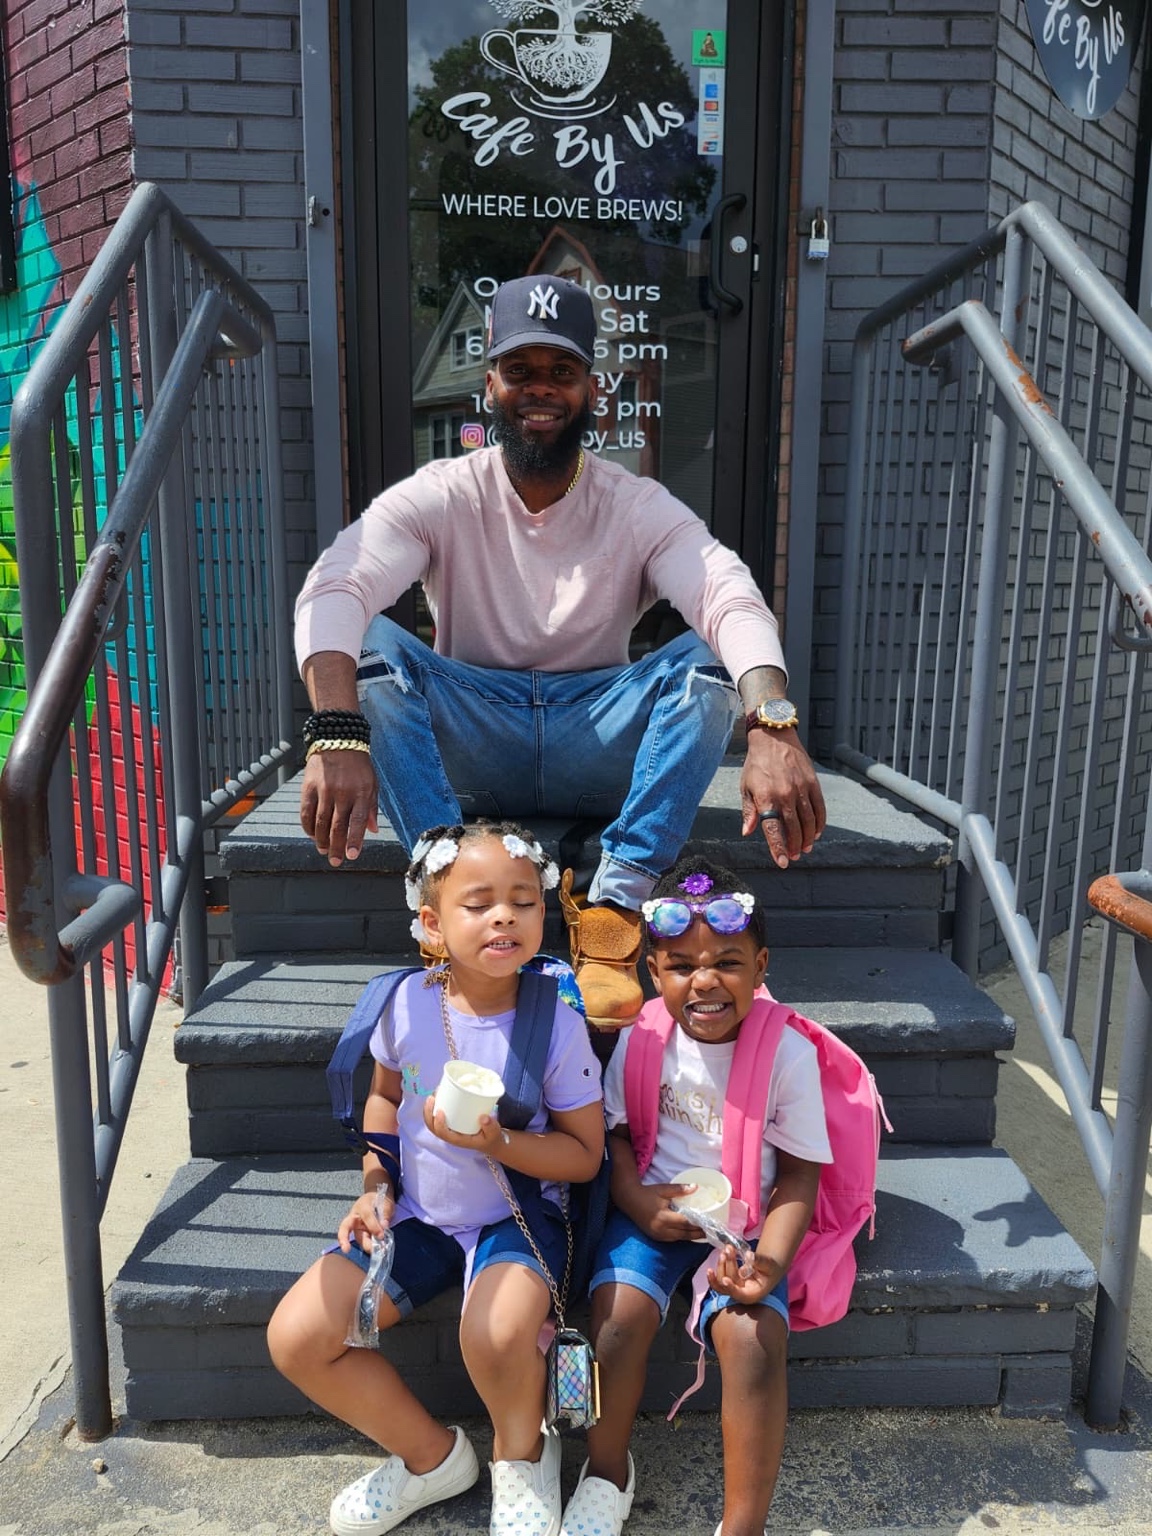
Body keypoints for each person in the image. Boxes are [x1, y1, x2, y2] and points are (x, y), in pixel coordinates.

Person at [294, 272, 826, 1037]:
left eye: (561, 373)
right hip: (472, 734)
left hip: (594, 737)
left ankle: (614, 910)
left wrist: (772, 723)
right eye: (521, 371)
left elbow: (727, 593)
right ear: (490, 386)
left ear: (593, 390)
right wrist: (336, 731)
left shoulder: (636, 503)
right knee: (374, 643)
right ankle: (451, 888)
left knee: (711, 652)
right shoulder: (442, 491)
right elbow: (335, 585)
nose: (540, 390)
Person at [267, 819, 604, 1536]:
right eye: (478, 902)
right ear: (431, 923)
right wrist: (375, 1185)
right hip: (419, 1214)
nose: (505, 915)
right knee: (298, 1337)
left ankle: (524, 1454)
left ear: (545, 916)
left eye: (524, 900)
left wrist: (500, 1142)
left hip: (513, 1217)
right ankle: (432, 1459)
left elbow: (584, 1156)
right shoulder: (407, 1002)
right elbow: (385, 1097)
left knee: (495, 1333)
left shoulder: (556, 1021)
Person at [558, 854, 832, 1536]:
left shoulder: (787, 1054)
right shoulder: (645, 1035)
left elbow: (800, 1174)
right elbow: (615, 1136)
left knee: (752, 1338)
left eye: (728, 963)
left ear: (761, 967)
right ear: (654, 972)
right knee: (616, 1319)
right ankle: (606, 1471)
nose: (704, 981)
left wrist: (767, 1262)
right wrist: (636, 1201)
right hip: (653, 1208)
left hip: (743, 1231)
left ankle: (744, 1523)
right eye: (681, 964)